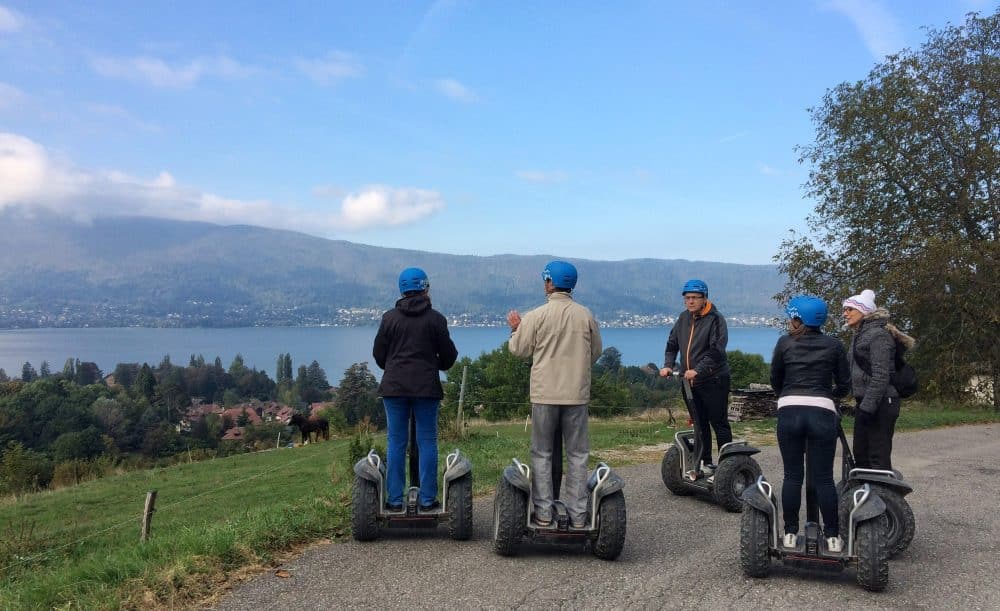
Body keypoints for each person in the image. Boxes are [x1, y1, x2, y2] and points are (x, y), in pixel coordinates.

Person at [507, 260, 602, 528]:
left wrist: (515, 329)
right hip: (576, 395)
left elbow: (519, 350)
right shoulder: (586, 315)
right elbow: (596, 351)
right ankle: (578, 514)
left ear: (550, 282)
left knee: (542, 453)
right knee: (577, 454)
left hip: (544, 394)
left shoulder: (536, 316)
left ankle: (544, 512)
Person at [373, 267, 458, 511]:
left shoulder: (389, 318)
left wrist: (392, 367)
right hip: (426, 388)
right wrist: (434, 365)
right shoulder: (436, 319)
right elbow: (449, 356)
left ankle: (395, 500)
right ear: (425, 288)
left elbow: (379, 354)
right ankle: (428, 500)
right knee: (427, 441)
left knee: (396, 441)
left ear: (402, 290)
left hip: (394, 387)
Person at [771, 296, 851, 552]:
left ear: (798, 318)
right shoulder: (835, 345)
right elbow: (845, 385)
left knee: (793, 475)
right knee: (824, 478)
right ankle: (832, 537)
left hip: (789, 410)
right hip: (822, 412)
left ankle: (791, 533)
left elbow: (776, 380)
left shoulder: (784, 343)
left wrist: (788, 394)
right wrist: (829, 397)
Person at [658, 279, 731, 475]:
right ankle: (705, 463)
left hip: (713, 379)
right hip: (689, 382)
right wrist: (668, 365)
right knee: (699, 423)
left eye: (694, 298)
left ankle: (728, 466)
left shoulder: (716, 319)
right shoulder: (683, 318)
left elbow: (717, 351)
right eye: (686, 298)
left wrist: (698, 369)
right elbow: (672, 344)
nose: (689, 302)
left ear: (704, 298)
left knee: (719, 422)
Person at [843, 288, 914, 471]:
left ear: (864, 310)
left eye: (850, 309)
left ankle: (884, 498)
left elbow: (881, 375)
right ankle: (866, 496)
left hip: (882, 403)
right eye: (845, 309)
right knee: (861, 457)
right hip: (867, 403)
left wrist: (867, 408)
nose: (845, 313)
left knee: (877, 458)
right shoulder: (860, 334)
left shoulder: (879, 336)